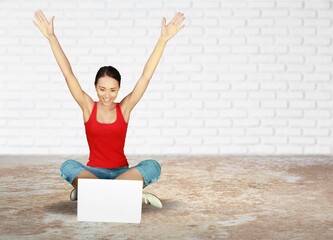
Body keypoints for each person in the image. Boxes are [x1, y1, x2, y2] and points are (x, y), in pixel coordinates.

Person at [33, 10, 185, 208]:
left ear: (119, 89)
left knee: (153, 166)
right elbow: (68, 74)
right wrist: (51, 37)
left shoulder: (125, 108)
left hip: (122, 173)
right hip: (93, 172)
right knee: (67, 166)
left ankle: (92, 192)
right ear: (95, 87)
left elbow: (145, 76)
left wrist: (163, 40)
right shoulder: (88, 106)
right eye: (102, 89)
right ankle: (122, 194)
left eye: (113, 90)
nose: (107, 95)